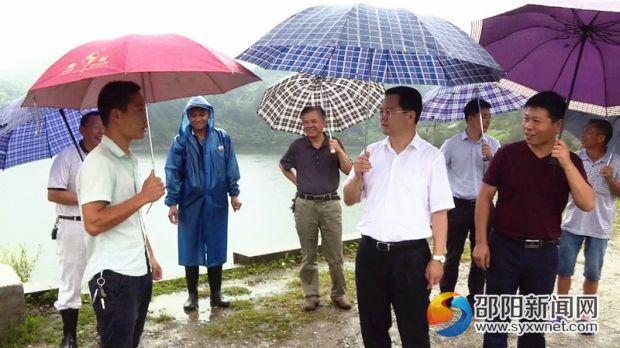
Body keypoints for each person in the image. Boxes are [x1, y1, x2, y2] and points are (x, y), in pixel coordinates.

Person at [473, 91, 595, 348]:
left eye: (536, 121)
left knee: (533, 327)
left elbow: (587, 203)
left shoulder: (570, 161)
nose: (528, 126)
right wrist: (482, 242)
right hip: (503, 248)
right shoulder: (508, 154)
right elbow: (484, 197)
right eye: (526, 119)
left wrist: (566, 164)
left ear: (557, 125)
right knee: (496, 323)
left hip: (544, 254)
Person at [343, 86, 454, 347]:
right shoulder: (370, 153)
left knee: (414, 328)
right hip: (371, 253)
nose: (383, 116)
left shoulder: (432, 157)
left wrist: (438, 258)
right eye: (381, 111)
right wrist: (357, 174)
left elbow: (439, 213)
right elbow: (349, 199)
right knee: (373, 327)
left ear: (411, 116)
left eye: (389, 111)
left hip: (411, 257)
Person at [77, 81, 164, 348]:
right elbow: (93, 222)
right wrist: (143, 197)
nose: (145, 117)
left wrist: (150, 255)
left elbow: (132, 216)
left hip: (137, 269)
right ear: (116, 115)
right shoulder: (99, 163)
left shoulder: (126, 159)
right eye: (139, 110)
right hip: (113, 275)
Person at [165, 96, 241, 312]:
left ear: (209, 115)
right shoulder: (180, 141)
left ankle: (216, 294)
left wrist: (233, 194)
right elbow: (173, 172)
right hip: (190, 202)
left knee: (216, 245)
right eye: (193, 115)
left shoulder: (222, 138)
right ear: (187, 117)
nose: (198, 118)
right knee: (190, 246)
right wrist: (172, 203)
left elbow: (230, 167)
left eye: (202, 114)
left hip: (216, 201)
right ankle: (192, 296)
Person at [279, 106, 353, 311]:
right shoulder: (297, 146)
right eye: (306, 122)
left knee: (335, 254)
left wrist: (338, 150)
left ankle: (339, 294)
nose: (309, 125)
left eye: (314, 121)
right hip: (304, 205)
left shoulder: (334, 143)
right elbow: (283, 165)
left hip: (330, 204)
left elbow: (349, 170)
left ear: (324, 122)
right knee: (308, 254)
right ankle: (311, 295)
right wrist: (298, 183)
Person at [47, 111, 103, 348]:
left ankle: (106, 329)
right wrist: (86, 198)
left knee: (104, 276)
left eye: (104, 126)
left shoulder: (107, 158)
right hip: (72, 224)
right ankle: (69, 335)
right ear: (81, 130)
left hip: (102, 225)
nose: (101, 131)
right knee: (71, 279)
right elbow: (54, 193)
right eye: (95, 126)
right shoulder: (66, 158)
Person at [439, 99, 500, 307]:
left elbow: (502, 177)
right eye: (484, 117)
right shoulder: (452, 144)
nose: (488, 121)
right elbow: (436, 171)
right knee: (453, 253)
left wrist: (491, 158)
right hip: (457, 206)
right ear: (470, 118)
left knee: (481, 252)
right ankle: (446, 296)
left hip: (483, 207)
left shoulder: (492, 145)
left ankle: (475, 297)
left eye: (489, 117)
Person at [557, 119, 620, 312]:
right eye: (583, 130)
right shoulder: (574, 159)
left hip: (599, 227)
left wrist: (610, 178)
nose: (582, 135)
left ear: (601, 138)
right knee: (564, 269)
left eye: (588, 132)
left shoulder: (616, 161)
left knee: (593, 273)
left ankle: (586, 315)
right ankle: (561, 312)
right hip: (572, 223)